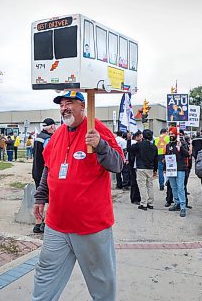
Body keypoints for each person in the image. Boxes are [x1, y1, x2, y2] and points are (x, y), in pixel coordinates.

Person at [32, 91, 124, 300]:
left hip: (90, 225)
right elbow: (49, 167)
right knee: (45, 274)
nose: (64, 108)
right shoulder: (57, 134)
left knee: (101, 281)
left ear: (83, 106)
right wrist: (40, 196)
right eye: (61, 104)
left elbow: (118, 165)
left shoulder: (97, 129)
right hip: (57, 224)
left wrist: (101, 145)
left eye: (69, 103)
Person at [31, 117, 56, 234]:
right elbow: (51, 157)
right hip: (45, 173)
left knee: (39, 198)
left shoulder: (38, 138)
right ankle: (46, 224)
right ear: (52, 126)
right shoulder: (48, 139)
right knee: (50, 199)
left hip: (36, 171)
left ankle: (37, 223)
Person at [130, 129, 158, 210]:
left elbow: (130, 148)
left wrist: (135, 140)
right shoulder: (154, 147)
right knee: (150, 186)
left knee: (142, 186)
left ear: (143, 136)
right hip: (150, 168)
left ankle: (143, 203)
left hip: (141, 168)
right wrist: (155, 170)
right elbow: (156, 159)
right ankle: (151, 203)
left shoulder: (139, 145)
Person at [165, 126, 190, 217]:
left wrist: (181, 147)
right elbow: (166, 157)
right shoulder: (168, 145)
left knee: (180, 188)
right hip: (171, 169)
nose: (171, 135)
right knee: (173, 187)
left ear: (176, 135)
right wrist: (165, 168)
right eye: (170, 134)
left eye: (172, 134)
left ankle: (183, 207)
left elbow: (187, 154)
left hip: (180, 168)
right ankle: (177, 203)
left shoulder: (181, 143)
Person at [128, 130, 142, 205]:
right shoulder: (134, 145)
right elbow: (129, 149)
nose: (140, 137)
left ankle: (139, 197)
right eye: (138, 136)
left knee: (139, 183)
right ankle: (134, 198)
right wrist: (129, 140)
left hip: (140, 166)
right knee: (134, 183)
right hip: (134, 166)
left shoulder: (141, 145)